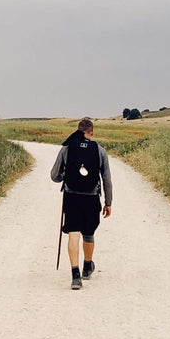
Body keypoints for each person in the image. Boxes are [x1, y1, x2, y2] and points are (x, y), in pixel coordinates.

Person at [50, 117, 112, 289]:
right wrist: (108, 202)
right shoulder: (100, 150)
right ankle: (87, 266)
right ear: (91, 132)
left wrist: (65, 176)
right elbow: (106, 179)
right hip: (91, 197)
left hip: (72, 197)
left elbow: (54, 175)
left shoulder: (66, 149)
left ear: (78, 130)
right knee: (89, 233)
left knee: (73, 233)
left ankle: (75, 275)